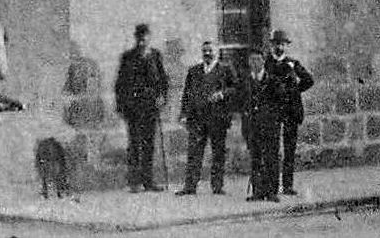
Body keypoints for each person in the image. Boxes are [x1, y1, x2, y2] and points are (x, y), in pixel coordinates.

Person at [175, 39, 238, 196]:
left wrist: (222, 93)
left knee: (218, 152)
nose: (207, 53)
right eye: (205, 51)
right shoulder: (194, 71)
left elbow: (236, 88)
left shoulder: (225, 69)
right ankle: (190, 186)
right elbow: (187, 94)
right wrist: (184, 114)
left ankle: (217, 186)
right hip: (197, 118)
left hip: (218, 118)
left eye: (210, 50)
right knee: (194, 152)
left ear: (216, 52)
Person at [114, 23, 168, 193]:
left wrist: (162, 97)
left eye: (145, 37)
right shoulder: (128, 57)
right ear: (136, 38)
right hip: (134, 108)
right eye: (140, 37)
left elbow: (163, 80)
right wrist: (121, 106)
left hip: (151, 107)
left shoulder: (155, 56)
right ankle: (134, 182)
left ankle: (148, 181)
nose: (142, 40)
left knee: (149, 145)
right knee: (135, 144)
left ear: (149, 37)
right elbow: (120, 83)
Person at [265, 29, 315, 196]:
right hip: (273, 111)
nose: (279, 47)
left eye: (282, 44)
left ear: (286, 46)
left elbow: (309, 80)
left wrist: (294, 91)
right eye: (276, 44)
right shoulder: (266, 64)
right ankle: (273, 186)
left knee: (289, 150)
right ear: (271, 45)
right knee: (272, 148)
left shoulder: (293, 63)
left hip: (290, 111)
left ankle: (287, 186)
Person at [239, 47, 285, 202]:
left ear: (264, 61)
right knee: (256, 158)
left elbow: (281, 102)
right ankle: (258, 191)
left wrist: (274, 120)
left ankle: (271, 191)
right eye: (252, 60)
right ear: (248, 62)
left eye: (258, 59)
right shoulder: (245, 82)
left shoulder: (272, 80)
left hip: (270, 127)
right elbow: (242, 103)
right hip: (253, 127)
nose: (255, 63)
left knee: (271, 158)